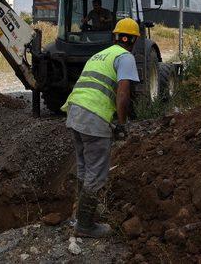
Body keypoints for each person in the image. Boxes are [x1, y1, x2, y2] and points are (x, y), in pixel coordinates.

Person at [61, 18, 141, 238]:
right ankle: (85, 226)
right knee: (96, 172)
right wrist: (122, 124)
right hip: (93, 116)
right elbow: (123, 94)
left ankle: (80, 215)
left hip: (75, 112)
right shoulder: (126, 57)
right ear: (133, 40)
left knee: (84, 168)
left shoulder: (100, 54)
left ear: (115, 36)